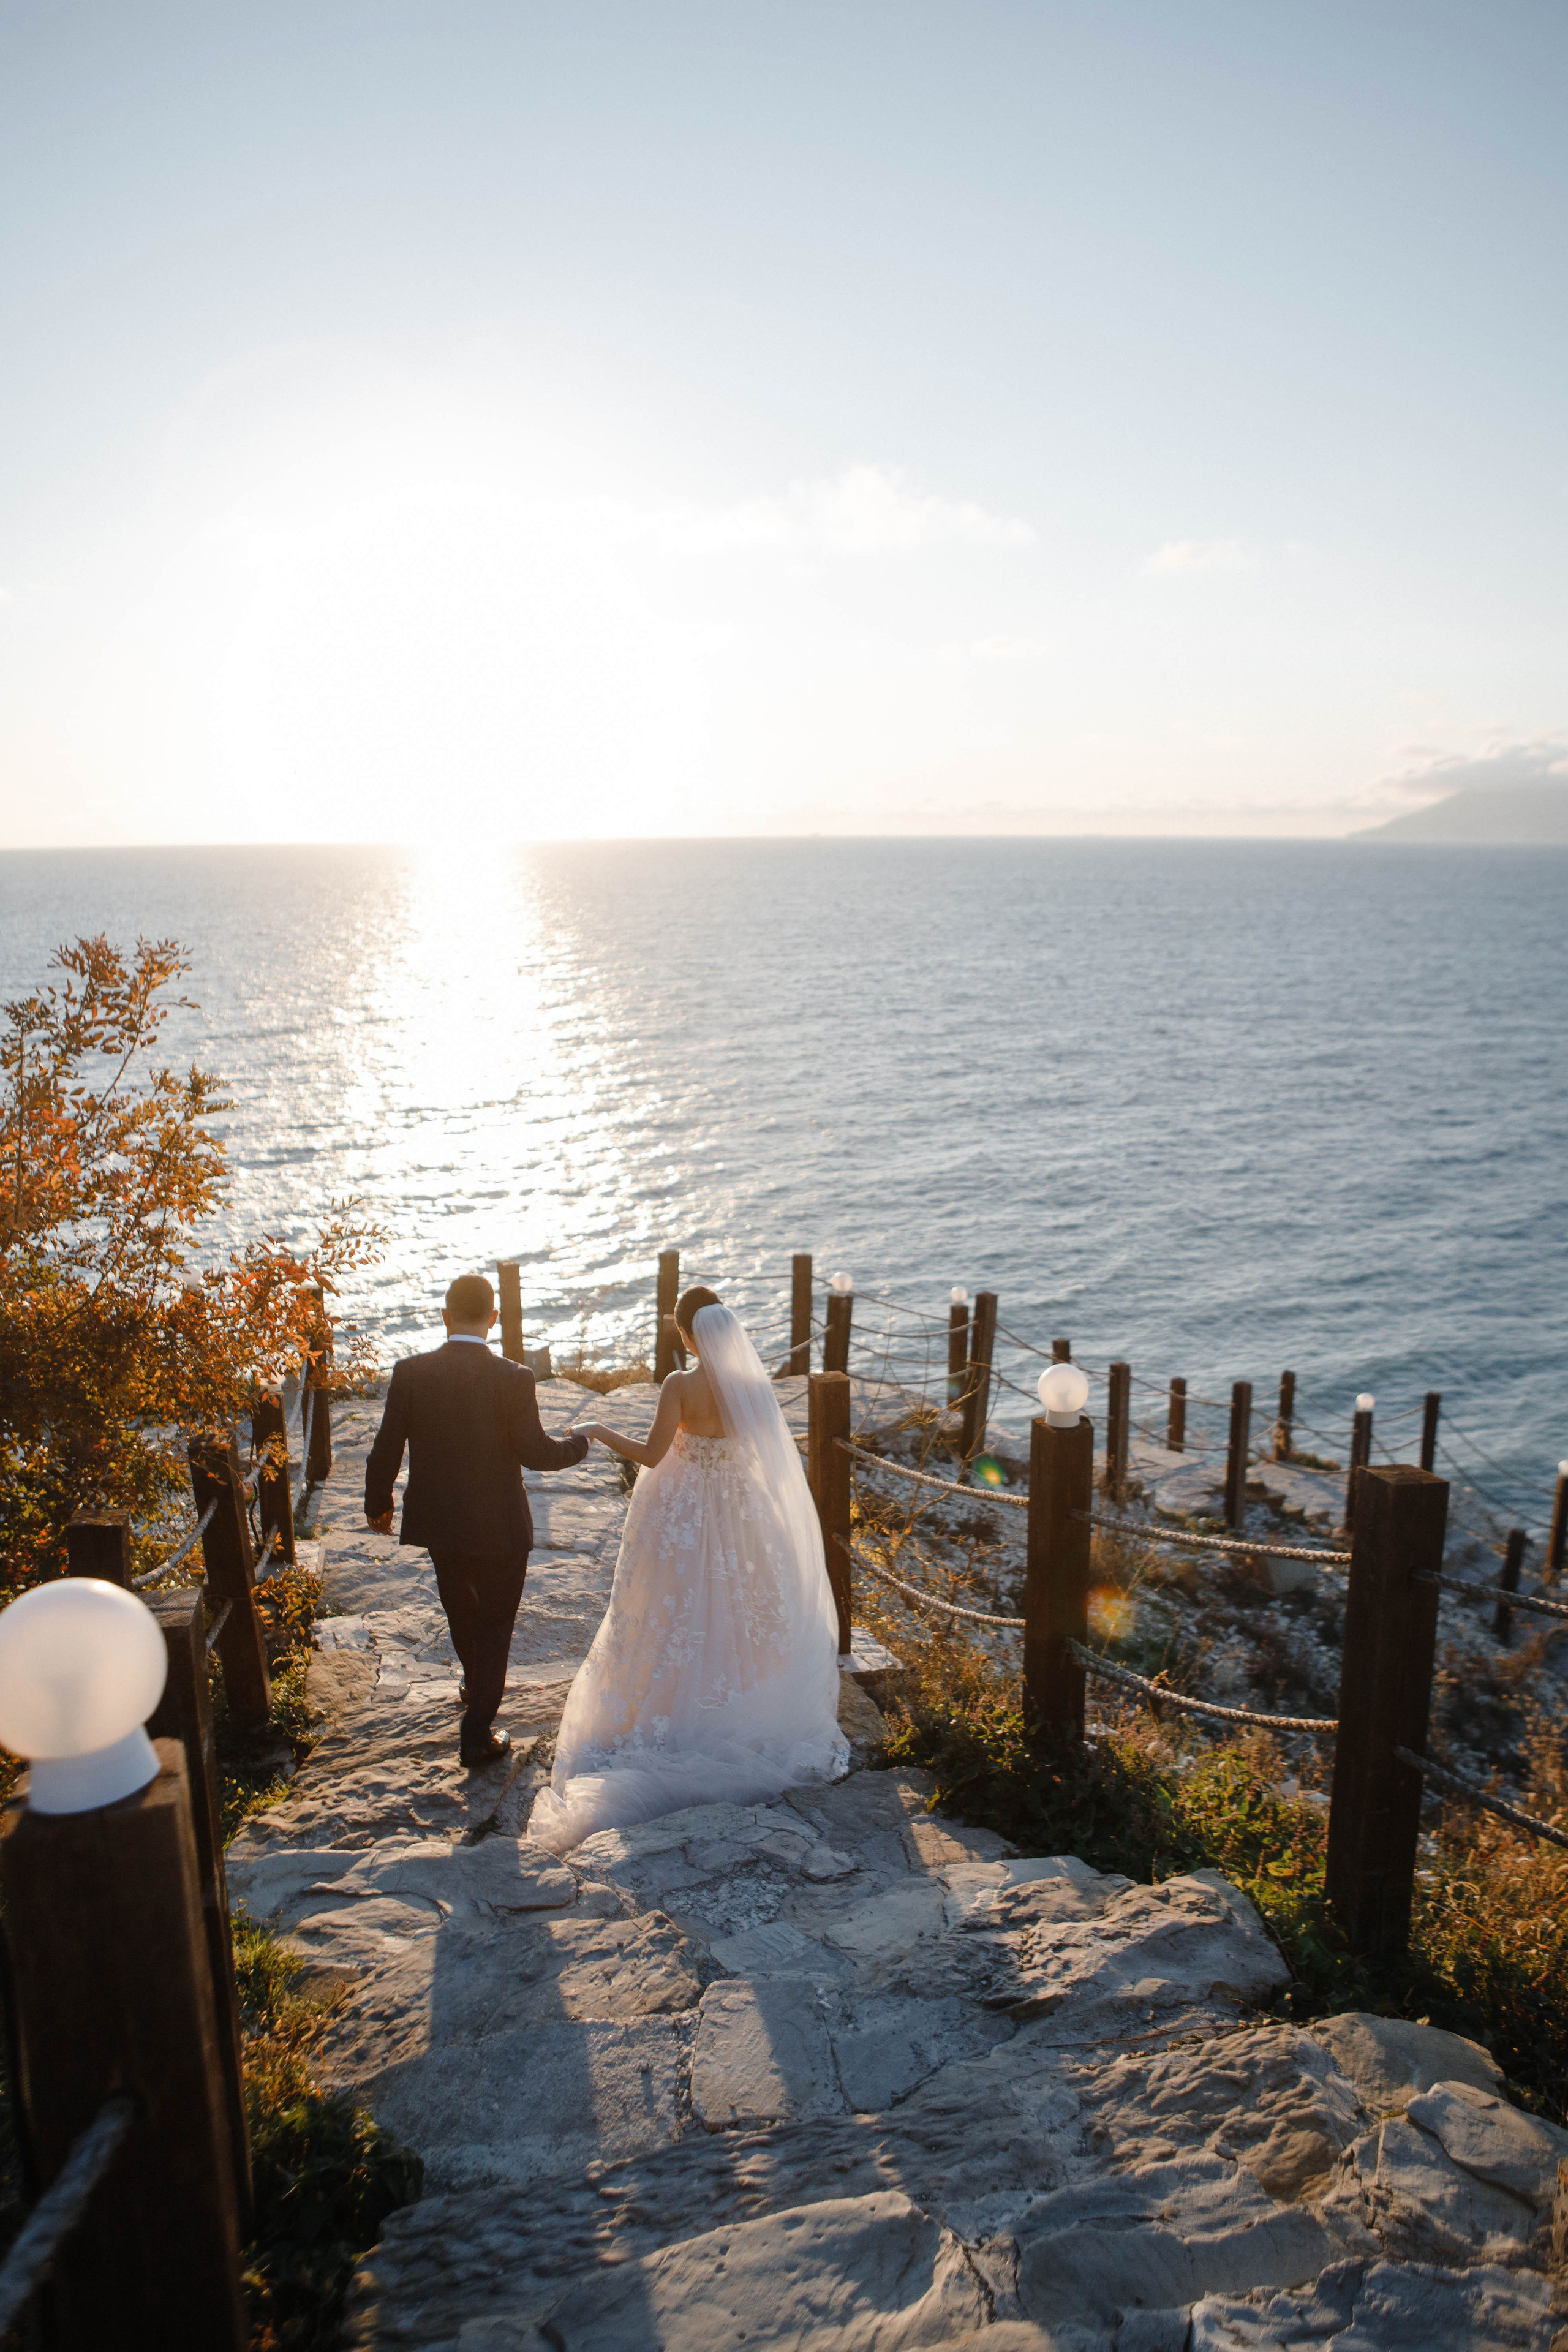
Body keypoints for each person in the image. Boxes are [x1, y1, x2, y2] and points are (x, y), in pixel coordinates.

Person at [529, 1286, 848, 1852]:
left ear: (686, 1334)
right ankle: (733, 1703)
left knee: (669, 1609)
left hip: (681, 1511)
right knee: (737, 1606)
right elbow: (767, 1457)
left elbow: (652, 1455)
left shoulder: (680, 1385)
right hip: (740, 1509)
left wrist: (597, 1430)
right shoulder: (751, 1388)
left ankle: (667, 1712)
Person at [364, 1272, 590, 1768]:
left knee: (460, 1609)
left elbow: (386, 1446)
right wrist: (581, 1444)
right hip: (500, 1527)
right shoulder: (515, 1377)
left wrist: (377, 1503)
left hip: (439, 1522)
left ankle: (476, 1686)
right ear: (494, 1319)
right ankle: (476, 1733)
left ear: (445, 1316)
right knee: (495, 1624)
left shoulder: (410, 1372)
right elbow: (536, 1453)